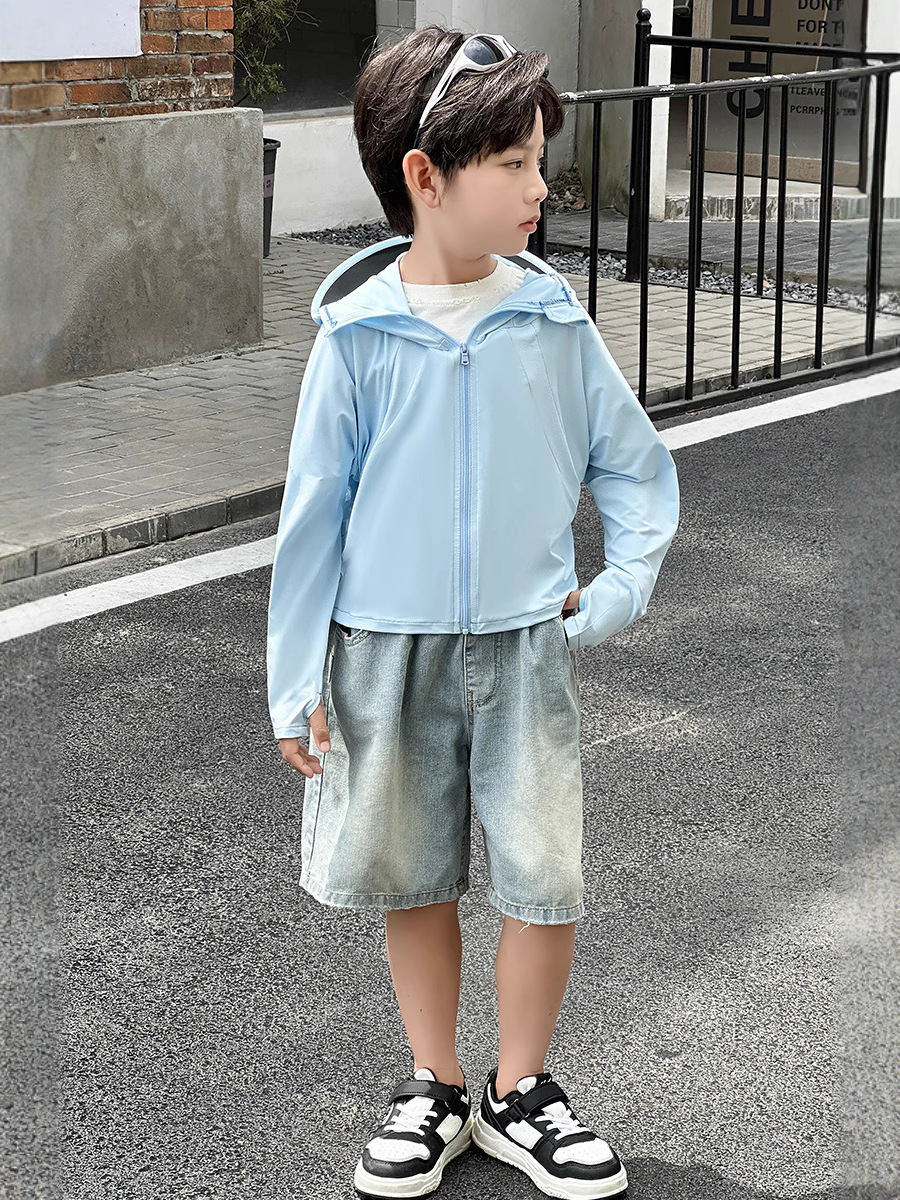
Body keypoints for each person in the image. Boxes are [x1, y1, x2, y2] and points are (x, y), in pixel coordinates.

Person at [266, 24, 680, 1200]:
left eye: (540, 161)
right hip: (383, 653)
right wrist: (295, 681)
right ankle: (436, 1083)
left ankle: (521, 1089)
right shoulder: (356, 337)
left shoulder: (550, 321)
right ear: (426, 175)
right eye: (514, 164)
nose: (542, 188)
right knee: (412, 876)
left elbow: (633, 467)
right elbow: (311, 522)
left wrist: (620, 587)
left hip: (524, 644)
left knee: (544, 875)